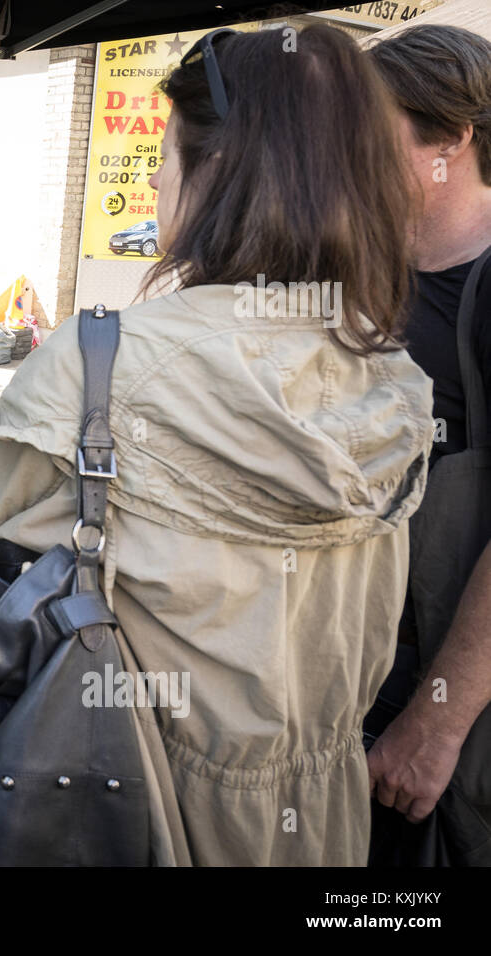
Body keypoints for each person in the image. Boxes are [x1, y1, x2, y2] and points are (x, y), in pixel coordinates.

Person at [0, 25, 433, 865]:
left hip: (135, 800)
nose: (151, 173)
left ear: (220, 172)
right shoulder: (392, 379)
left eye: (168, 150)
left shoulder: (98, 361)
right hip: (324, 811)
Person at [365, 24, 491, 864]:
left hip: (440, 715)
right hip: (355, 693)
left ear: (453, 137)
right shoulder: (371, 282)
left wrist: (436, 722)